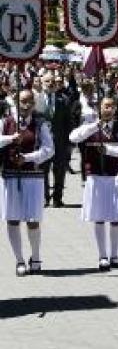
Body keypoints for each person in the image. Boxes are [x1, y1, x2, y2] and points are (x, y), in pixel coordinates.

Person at [69, 96, 118, 271]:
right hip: (95, 176)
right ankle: (102, 255)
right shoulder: (90, 126)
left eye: (112, 106)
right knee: (98, 217)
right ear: (99, 108)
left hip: (114, 176)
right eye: (106, 106)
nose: (109, 109)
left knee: (115, 218)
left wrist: (109, 150)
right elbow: (74, 137)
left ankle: (115, 255)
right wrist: (93, 126)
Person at [0, 90, 54, 276]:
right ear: (16, 101)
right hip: (11, 175)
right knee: (13, 219)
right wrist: (9, 139)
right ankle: (19, 260)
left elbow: (49, 149)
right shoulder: (6, 121)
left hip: (33, 176)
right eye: (23, 101)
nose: (26, 104)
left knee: (33, 220)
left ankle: (36, 256)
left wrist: (29, 158)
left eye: (30, 101)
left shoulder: (40, 123)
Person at [40, 73, 74, 207]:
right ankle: (44, 197)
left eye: (52, 81)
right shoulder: (37, 100)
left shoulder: (63, 99)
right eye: (47, 81)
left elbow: (69, 122)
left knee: (59, 171)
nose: (50, 84)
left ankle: (57, 198)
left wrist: (70, 142)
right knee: (43, 170)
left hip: (60, 141)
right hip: (43, 142)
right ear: (42, 83)